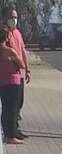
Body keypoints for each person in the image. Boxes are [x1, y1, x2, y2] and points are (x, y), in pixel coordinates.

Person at [2, 6, 28, 140]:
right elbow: (14, 57)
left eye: (15, 17)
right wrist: (18, 62)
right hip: (8, 77)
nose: (14, 20)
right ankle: (9, 133)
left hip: (18, 75)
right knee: (9, 106)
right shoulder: (5, 34)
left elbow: (22, 52)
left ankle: (14, 130)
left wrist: (26, 69)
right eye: (12, 17)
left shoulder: (17, 32)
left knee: (17, 103)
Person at [0, 27, 24, 144]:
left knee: (5, 108)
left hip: (2, 82)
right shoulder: (10, 51)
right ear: (7, 37)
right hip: (13, 81)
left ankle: (6, 133)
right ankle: (10, 135)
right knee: (12, 109)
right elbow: (21, 64)